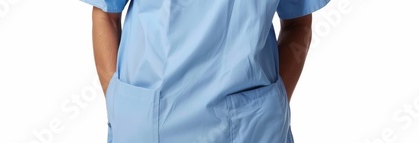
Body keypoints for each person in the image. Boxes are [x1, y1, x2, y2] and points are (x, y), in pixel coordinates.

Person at [82, 0, 329, 142]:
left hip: (252, 128)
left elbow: (298, 23)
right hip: (147, 124)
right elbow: (106, 14)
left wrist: (274, 102)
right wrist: (119, 103)